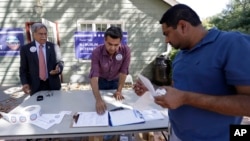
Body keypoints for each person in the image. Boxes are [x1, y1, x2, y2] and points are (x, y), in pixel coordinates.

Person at [133, 4, 250, 141]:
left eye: (167, 33)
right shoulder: (180, 55)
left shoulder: (232, 44)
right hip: (176, 133)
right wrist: (153, 90)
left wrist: (185, 98)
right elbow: (178, 90)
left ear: (183, 26)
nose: (166, 40)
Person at [89, 26, 131, 115]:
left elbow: (124, 72)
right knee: (100, 108)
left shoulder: (125, 51)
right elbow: (94, 76)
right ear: (104, 40)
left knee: (115, 108)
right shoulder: (96, 52)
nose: (112, 48)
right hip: (101, 81)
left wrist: (119, 90)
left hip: (116, 81)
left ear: (120, 42)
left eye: (116, 45)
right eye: (110, 44)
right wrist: (98, 100)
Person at [19, 23, 64, 96]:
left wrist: (58, 69)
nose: (44, 36)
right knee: (38, 106)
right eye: (41, 34)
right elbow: (23, 69)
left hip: (53, 84)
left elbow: (60, 62)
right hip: (35, 85)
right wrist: (25, 83)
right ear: (34, 34)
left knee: (55, 105)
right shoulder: (25, 49)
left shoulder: (54, 47)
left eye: (45, 34)